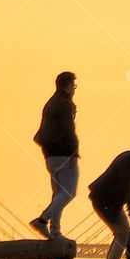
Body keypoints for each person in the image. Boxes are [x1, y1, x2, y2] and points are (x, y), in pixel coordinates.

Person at [30, 71, 79, 238]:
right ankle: (43, 220)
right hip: (64, 153)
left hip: (50, 155)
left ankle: (55, 231)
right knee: (69, 192)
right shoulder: (63, 104)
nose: (74, 89)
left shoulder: (51, 102)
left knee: (58, 193)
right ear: (67, 86)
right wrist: (74, 152)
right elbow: (68, 130)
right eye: (73, 86)